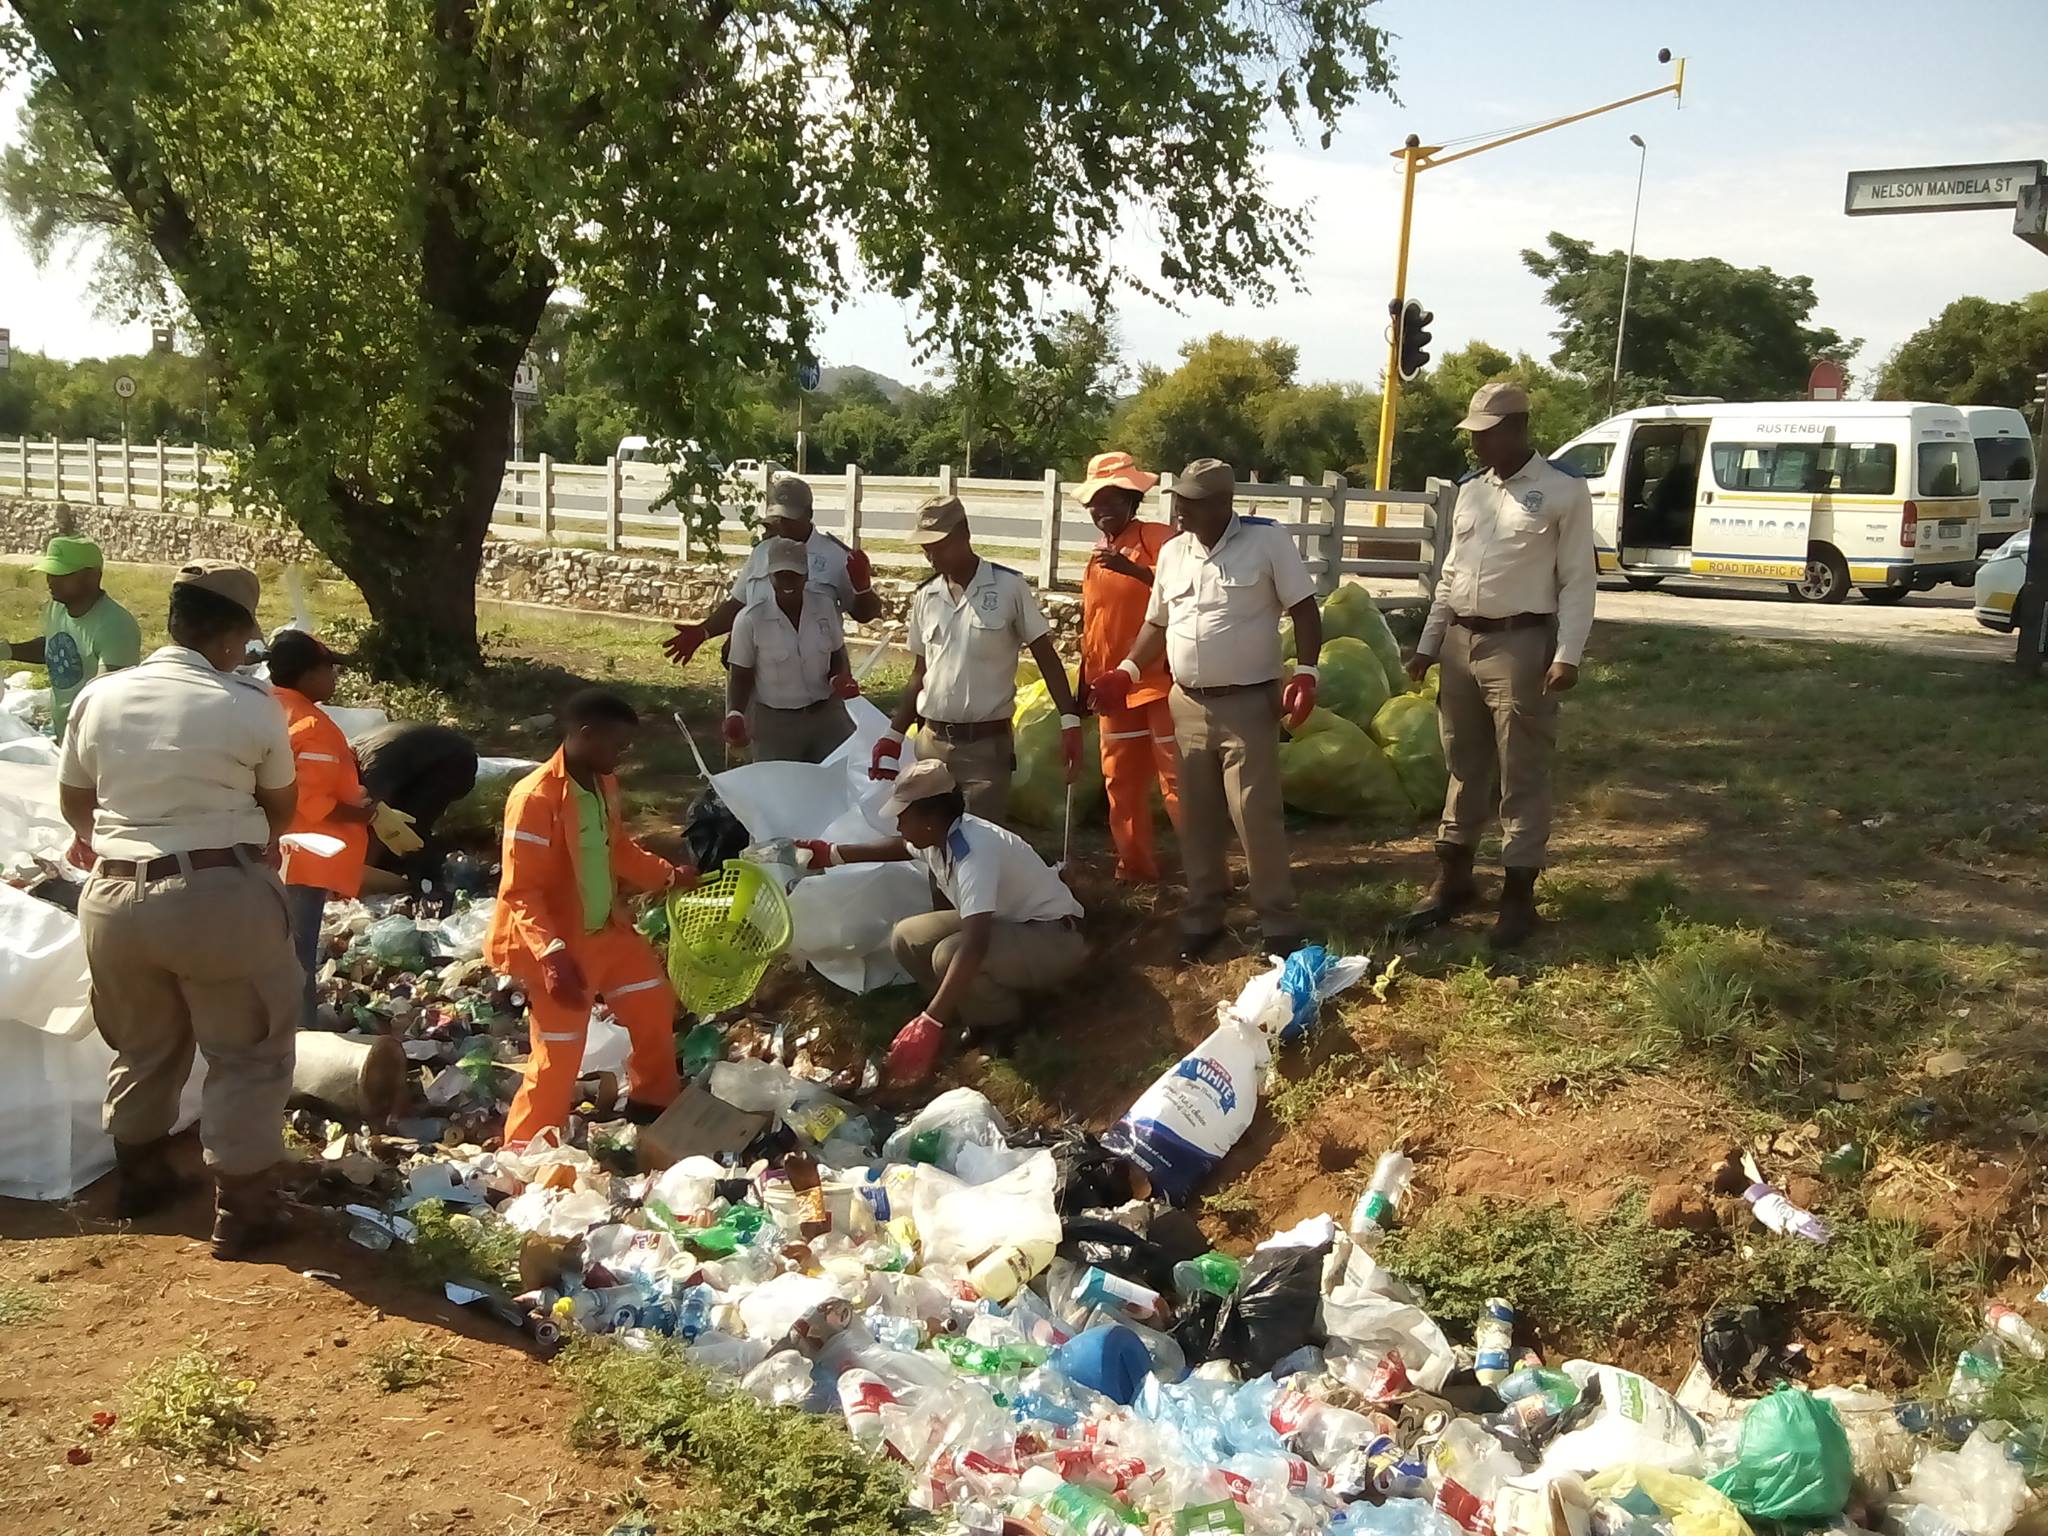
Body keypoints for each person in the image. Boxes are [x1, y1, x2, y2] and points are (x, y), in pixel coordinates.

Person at [56, 562, 303, 1259]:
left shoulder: (101, 697)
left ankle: (142, 1178)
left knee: (144, 1044)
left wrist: (103, 836)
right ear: (229, 638)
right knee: (248, 1053)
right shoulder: (249, 705)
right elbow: (282, 808)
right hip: (216, 897)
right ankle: (245, 1211)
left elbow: (77, 803)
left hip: (112, 899)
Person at [1092, 458, 1320, 960]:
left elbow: (1304, 607)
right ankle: (1205, 911)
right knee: (1196, 816)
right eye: (1177, 502)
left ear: (1221, 505)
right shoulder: (1174, 553)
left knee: (1254, 814)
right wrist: (1126, 672)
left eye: (1190, 505)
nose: (1178, 512)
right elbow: (1157, 622)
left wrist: (1306, 671)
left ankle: (1277, 920)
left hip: (1248, 702)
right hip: (1186, 701)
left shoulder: (1267, 542)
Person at [1399, 381, 1596, 950]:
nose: (1478, 447)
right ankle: (1453, 879)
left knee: (1521, 771)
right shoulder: (1471, 493)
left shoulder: (1562, 492)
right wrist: (1429, 644)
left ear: (1516, 429)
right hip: (1462, 640)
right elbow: (1451, 574)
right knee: (1464, 763)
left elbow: (1578, 580)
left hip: (1521, 645)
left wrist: (1568, 655)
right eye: (1474, 436)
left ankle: (1517, 895)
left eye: (1486, 435)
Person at [486, 689, 698, 1146]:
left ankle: (652, 1109)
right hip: (561, 945)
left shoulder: (605, 784)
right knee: (558, 1055)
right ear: (586, 735)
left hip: (609, 932)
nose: (623, 756)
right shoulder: (535, 798)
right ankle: (523, 1150)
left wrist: (668, 876)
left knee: (653, 1010)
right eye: (617, 745)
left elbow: (617, 849)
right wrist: (552, 954)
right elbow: (521, 890)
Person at [799, 758, 1085, 1085]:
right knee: (907, 937)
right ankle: (971, 1008)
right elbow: (901, 848)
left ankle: (1005, 1025)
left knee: (950, 955)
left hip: (1053, 937)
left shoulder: (974, 852)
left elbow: (975, 944)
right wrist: (833, 853)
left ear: (931, 817)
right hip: (1011, 924)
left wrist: (928, 1021)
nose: (898, 825)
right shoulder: (941, 835)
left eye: (903, 817)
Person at [869, 494, 1082, 821]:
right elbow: (919, 673)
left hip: (985, 750)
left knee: (978, 845)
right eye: (925, 547)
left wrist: (1069, 722)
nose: (930, 554)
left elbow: (1046, 657)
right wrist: (893, 735)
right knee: (931, 844)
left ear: (964, 534)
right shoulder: (926, 596)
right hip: (931, 744)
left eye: (938, 544)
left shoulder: (1009, 588)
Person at [266, 629, 420, 1028]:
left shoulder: (266, 707)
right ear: (307, 674)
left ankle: (280, 1026)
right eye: (329, 668)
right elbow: (311, 801)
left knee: (273, 950)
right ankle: (298, 1034)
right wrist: (364, 815)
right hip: (304, 857)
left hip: (270, 850)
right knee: (295, 954)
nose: (335, 677)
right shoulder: (311, 725)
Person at [1076, 451, 1181, 884]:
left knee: (1178, 783)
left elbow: (1184, 589)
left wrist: (1134, 570)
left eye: (1111, 500)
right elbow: (1095, 622)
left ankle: (1206, 873)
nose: (1102, 510)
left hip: (1159, 681)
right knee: (1120, 782)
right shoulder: (1100, 552)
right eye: (1095, 502)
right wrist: (1084, 680)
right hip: (1113, 689)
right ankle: (1135, 868)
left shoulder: (1157, 538)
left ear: (1131, 500)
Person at [663, 476, 885, 666]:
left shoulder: (836, 557)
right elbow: (739, 603)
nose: (784, 524)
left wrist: (863, 589)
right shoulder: (762, 552)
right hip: (755, 671)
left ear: (809, 514)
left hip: (813, 675)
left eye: (791, 518)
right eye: (779, 517)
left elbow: (865, 614)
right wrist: (703, 632)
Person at [724, 537, 861, 763]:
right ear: (770, 576)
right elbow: (740, 676)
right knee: (779, 790)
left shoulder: (825, 606)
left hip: (827, 716)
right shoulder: (749, 620)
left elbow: (837, 653)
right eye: (781, 575)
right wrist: (736, 714)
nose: (788, 582)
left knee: (839, 779)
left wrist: (840, 678)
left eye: (795, 575)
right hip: (776, 724)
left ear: (806, 575)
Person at [1, 536, 142, 741]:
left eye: (62, 574)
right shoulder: (57, 607)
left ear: (92, 577)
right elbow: (54, 647)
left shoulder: (116, 627)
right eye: (50, 573)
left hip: (96, 739)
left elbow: (105, 699)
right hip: (65, 733)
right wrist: (8, 650)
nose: (51, 581)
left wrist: (75, 743)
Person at [354, 721, 481, 884]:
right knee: (394, 823)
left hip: (453, 763)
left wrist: (363, 869)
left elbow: (378, 818)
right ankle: (409, 868)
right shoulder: (350, 753)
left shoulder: (371, 769)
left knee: (407, 826)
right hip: (423, 762)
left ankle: (426, 881)